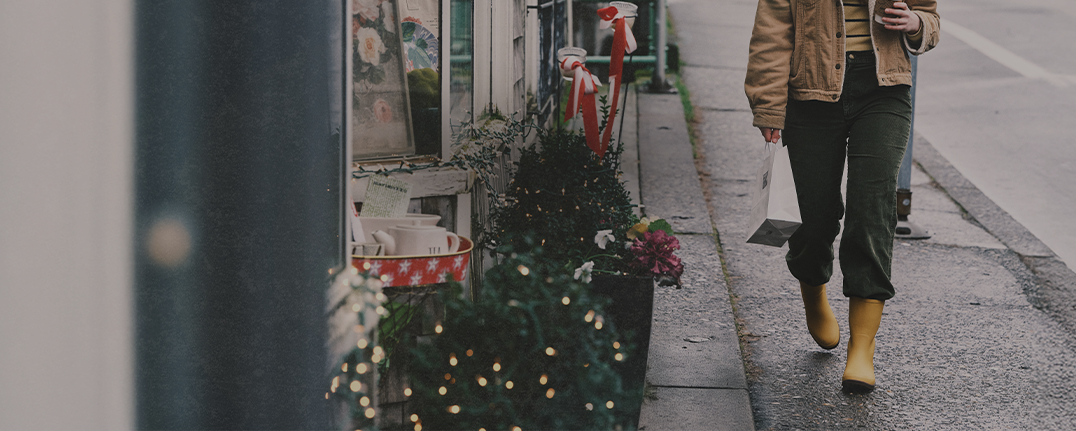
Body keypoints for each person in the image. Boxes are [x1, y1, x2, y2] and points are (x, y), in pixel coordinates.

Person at [745, 0, 939, 393]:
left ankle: (862, 347)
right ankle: (814, 291)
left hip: (883, 90)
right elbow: (772, 29)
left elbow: (930, 17)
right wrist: (768, 105)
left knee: (872, 210)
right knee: (813, 218)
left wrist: (916, 22)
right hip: (811, 90)